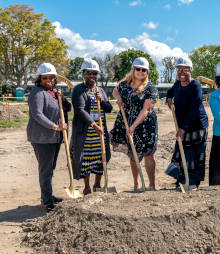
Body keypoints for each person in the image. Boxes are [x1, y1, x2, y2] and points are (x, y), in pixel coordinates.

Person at [27, 63, 71, 212]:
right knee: (45, 169)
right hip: (42, 138)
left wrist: (62, 98)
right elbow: (37, 114)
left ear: (55, 78)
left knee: (50, 168)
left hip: (54, 137)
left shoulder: (53, 92)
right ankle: (47, 201)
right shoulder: (37, 93)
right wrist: (55, 126)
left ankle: (48, 195)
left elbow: (68, 108)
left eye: (51, 77)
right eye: (44, 78)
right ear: (39, 79)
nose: (48, 80)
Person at [110, 57, 158, 190]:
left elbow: (146, 109)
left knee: (149, 153)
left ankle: (151, 185)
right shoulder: (124, 84)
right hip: (127, 121)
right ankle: (136, 185)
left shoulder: (150, 88)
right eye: (138, 69)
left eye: (144, 70)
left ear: (147, 72)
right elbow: (115, 90)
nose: (141, 71)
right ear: (133, 69)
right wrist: (119, 98)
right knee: (133, 153)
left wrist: (133, 126)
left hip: (145, 125)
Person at [70, 58, 113, 195]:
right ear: (83, 74)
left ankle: (97, 185)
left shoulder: (100, 90)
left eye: (95, 73)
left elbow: (109, 108)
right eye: (89, 73)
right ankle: (87, 187)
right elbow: (80, 110)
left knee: (101, 159)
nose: (92, 76)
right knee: (86, 161)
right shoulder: (79, 90)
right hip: (86, 133)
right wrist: (93, 125)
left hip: (100, 133)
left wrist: (102, 99)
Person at [165, 57, 209, 190]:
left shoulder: (195, 85)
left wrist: (184, 128)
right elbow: (170, 91)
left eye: (185, 69)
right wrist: (168, 98)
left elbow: (194, 108)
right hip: (183, 124)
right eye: (179, 69)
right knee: (181, 151)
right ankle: (182, 179)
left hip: (196, 125)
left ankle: (193, 182)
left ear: (190, 70)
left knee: (194, 154)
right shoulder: (177, 84)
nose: (181, 72)